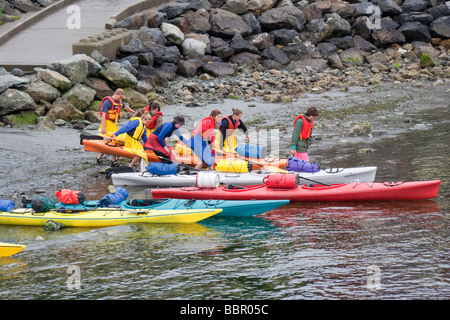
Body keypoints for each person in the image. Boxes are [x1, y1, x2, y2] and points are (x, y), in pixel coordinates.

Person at [97, 89, 135, 165]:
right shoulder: (107, 102)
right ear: (117, 94)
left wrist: (134, 112)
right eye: (120, 97)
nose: (121, 99)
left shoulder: (118, 102)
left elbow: (126, 107)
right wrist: (103, 128)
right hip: (107, 124)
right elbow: (103, 116)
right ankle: (113, 160)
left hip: (114, 124)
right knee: (113, 141)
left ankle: (100, 158)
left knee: (112, 141)